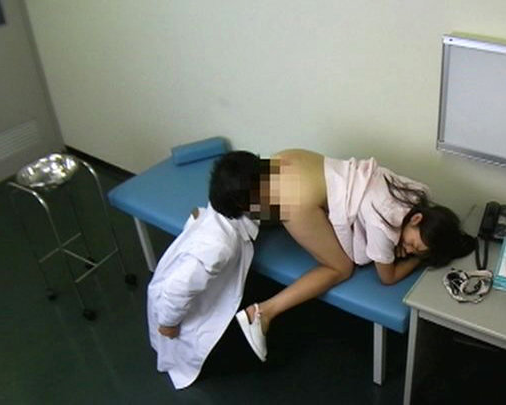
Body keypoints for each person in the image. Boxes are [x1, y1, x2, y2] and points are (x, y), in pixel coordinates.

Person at [235, 149, 474, 362]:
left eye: (415, 250)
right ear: (417, 219)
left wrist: (409, 246)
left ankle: (242, 211)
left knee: (275, 207)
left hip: (291, 160)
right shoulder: (384, 228)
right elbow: (387, 277)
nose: (410, 249)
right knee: (341, 268)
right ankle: (262, 313)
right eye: (413, 244)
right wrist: (418, 259)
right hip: (296, 196)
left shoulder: (418, 193)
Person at [146, 151, 263, 389]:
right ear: (243, 204)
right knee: (268, 355)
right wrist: (168, 324)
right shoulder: (219, 246)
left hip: (194, 293)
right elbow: (177, 288)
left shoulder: (220, 210)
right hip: (179, 324)